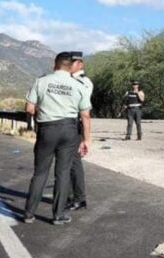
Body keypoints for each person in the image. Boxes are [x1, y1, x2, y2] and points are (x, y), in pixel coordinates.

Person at [23, 52, 92, 225]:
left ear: (55, 64)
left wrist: (45, 112)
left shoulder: (42, 81)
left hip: (47, 129)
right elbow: (85, 116)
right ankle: (58, 215)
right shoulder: (79, 85)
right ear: (71, 66)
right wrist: (86, 139)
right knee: (62, 173)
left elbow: (29, 109)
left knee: (40, 172)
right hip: (69, 130)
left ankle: (29, 213)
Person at [68, 51, 93, 211]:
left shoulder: (84, 82)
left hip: (75, 123)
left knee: (74, 162)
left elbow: (83, 109)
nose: (70, 65)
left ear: (80, 64)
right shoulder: (67, 80)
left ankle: (79, 197)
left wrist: (86, 137)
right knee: (66, 162)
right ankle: (70, 195)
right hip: (66, 124)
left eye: (74, 62)